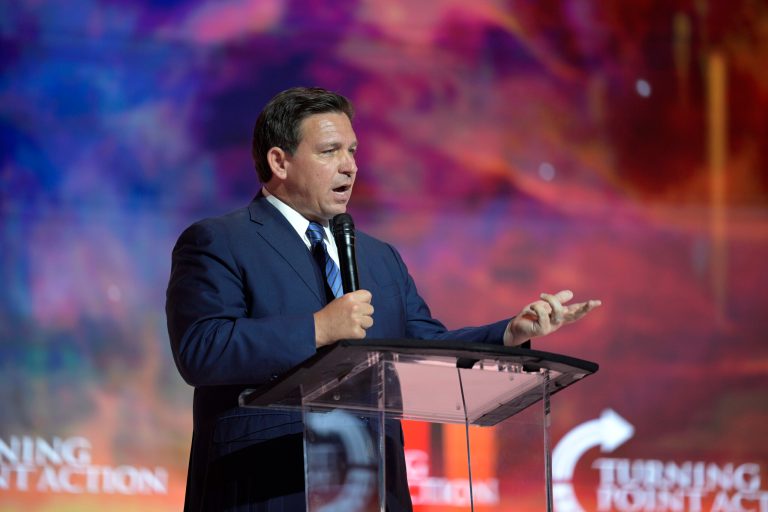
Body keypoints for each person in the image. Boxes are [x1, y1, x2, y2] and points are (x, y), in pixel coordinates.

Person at [165, 86, 601, 511]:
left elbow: (424, 347)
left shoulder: (379, 257)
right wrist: (318, 329)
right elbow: (202, 350)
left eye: (353, 151)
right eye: (330, 151)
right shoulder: (220, 241)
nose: (350, 167)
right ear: (279, 161)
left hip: (375, 488)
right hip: (266, 486)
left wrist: (508, 333)